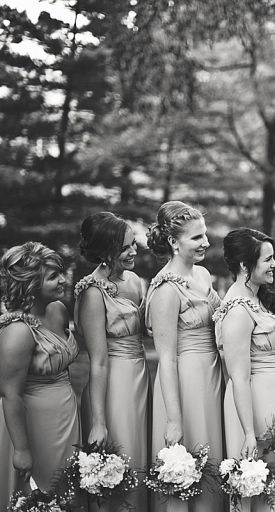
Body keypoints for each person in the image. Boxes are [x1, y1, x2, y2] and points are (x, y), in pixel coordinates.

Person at [0, 242, 81, 512]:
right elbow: (11, 394)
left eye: (61, 272)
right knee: (32, 497)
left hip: (64, 415)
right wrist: (21, 449)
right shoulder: (17, 331)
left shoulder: (58, 311)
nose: (63, 280)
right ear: (30, 284)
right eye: (53, 277)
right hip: (31, 424)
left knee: (65, 489)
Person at [146, 201, 224, 512]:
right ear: (174, 242)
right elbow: (166, 358)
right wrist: (174, 419)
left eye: (205, 235)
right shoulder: (165, 290)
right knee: (190, 464)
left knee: (213, 457)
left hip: (211, 376)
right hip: (185, 383)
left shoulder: (203, 274)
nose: (205, 242)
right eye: (196, 238)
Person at [75, 212, 150, 512]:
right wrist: (98, 421)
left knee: (141, 459)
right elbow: (98, 362)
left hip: (140, 377)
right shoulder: (93, 293)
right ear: (106, 251)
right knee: (121, 460)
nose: (134, 251)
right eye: (126, 248)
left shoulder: (133, 280)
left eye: (134, 244)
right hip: (114, 385)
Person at [215, 228, 275, 512]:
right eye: (267, 260)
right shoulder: (237, 310)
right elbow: (239, 377)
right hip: (255, 406)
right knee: (257, 485)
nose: (274, 265)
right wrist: (249, 431)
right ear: (245, 266)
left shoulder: (261, 297)